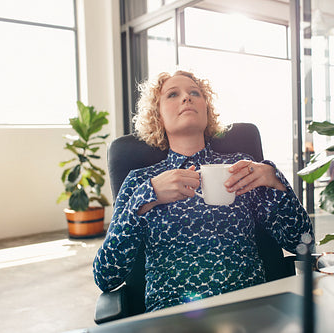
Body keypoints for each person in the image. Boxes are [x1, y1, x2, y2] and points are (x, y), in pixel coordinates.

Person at [93, 70, 313, 313]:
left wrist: (276, 181)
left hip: (251, 309)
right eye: (173, 94)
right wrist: (145, 198)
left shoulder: (242, 168)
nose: (186, 98)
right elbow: (106, 277)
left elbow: (303, 243)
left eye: (194, 93)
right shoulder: (140, 181)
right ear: (158, 116)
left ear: (206, 109)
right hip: (172, 318)